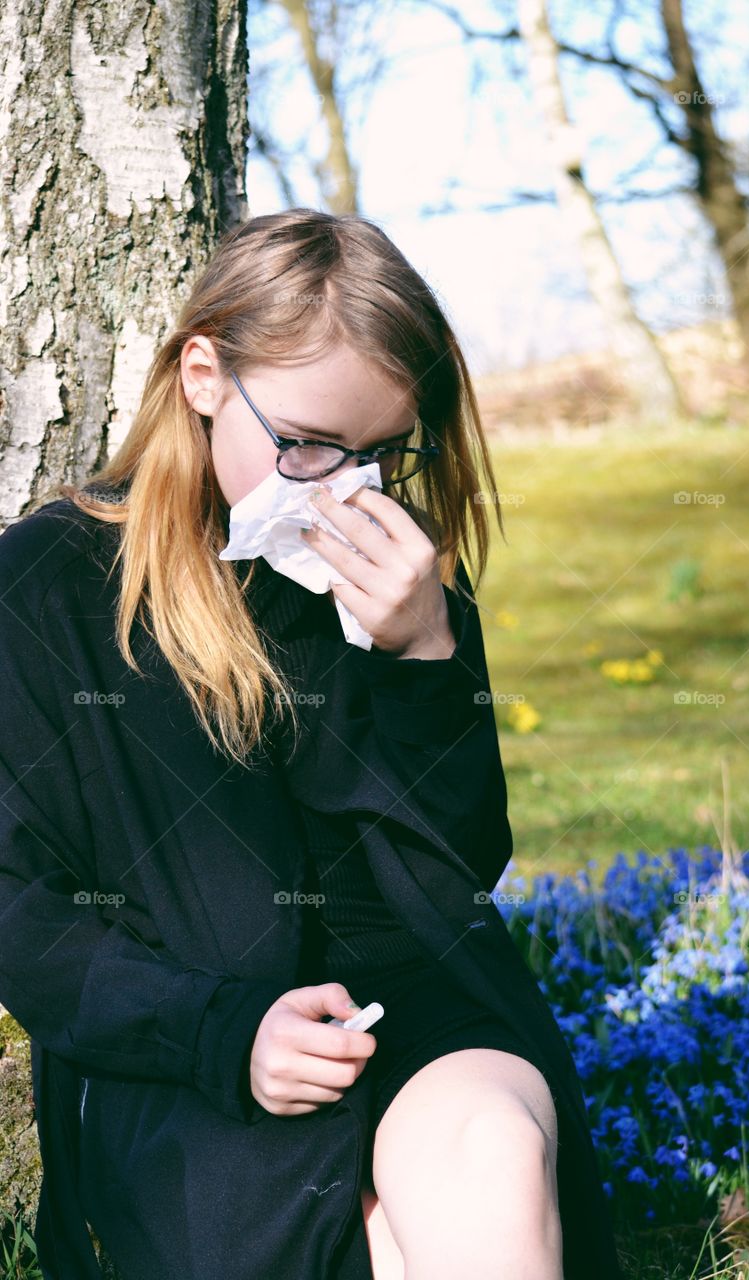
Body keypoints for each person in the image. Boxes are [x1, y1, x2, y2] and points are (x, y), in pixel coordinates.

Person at [0, 209, 623, 1279]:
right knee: (364, 1239)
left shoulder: (401, 571)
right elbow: (18, 912)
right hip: (188, 1060)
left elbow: (459, 864)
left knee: (490, 1154)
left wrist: (421, 654)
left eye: (382, 452)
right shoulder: (45, 587)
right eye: (304, 443)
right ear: (202, 375)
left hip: (412, 1007)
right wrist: (223, 1032)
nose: (344, 486)